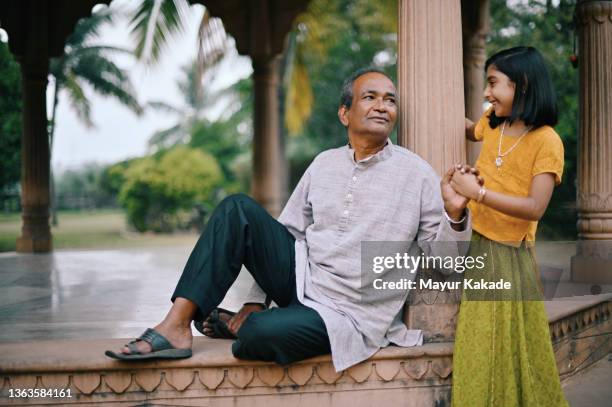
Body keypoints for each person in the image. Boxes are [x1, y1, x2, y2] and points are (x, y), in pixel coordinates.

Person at [105, 68, 478, 372]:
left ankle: (242, 324)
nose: (383, 106)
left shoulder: (417, 174)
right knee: (237, 209)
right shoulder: (324, 163)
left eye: (390, 99)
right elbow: (287, 234)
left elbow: (448, 263)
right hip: (301, 280)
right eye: (371, 97)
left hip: (349, 315)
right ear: (345, 113)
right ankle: (175, 326)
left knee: (257, 336)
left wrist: (456, 212)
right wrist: (256, 298)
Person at [450, 47, 568, 406]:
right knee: (476, 340)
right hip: (479, 243)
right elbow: (470, 130)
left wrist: (478, 193)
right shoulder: (493, 122)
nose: (487, 93)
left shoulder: (546, 141)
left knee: (514, 345)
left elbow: (535, 207)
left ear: (524, 84)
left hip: (512, 253)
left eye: (493, 83)